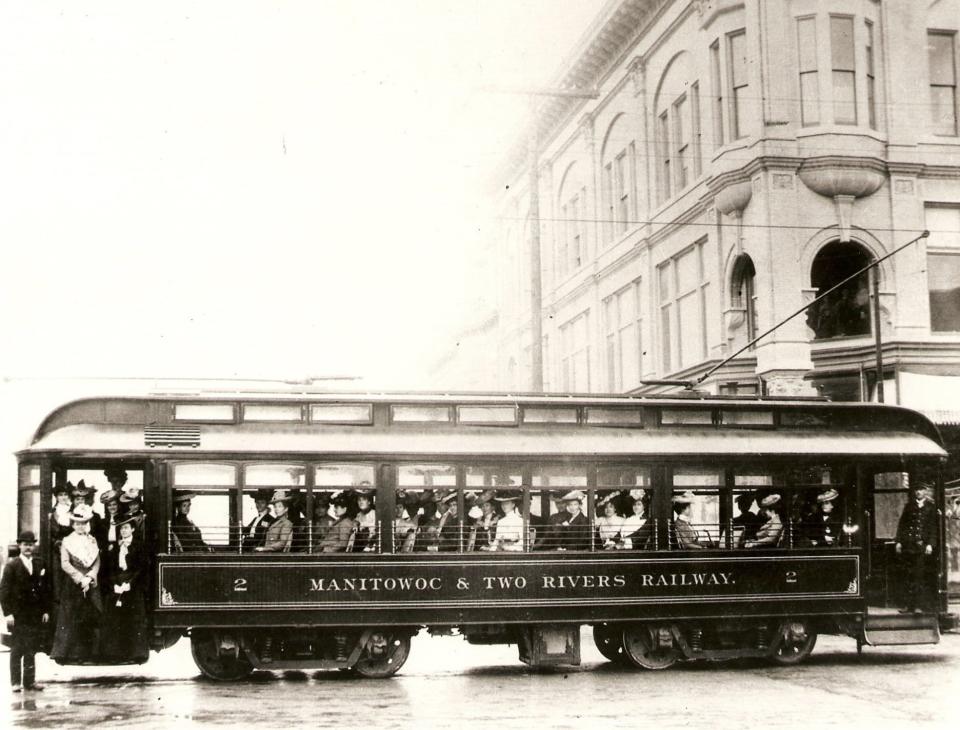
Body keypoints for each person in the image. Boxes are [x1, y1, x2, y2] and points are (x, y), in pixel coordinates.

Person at [51, 504, 102, 663]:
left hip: (91, 583)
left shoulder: (92, 540)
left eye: (84, 523)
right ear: (73, 525)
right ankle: (72, 655)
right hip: (73, 584)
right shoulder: (67, 541)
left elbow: (97, 562)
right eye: (78, 523)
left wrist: (90, 577)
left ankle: (92, 653)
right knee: (74, 616)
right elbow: (65, 564)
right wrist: (80, 578)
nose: (81, 526)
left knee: (93, 615)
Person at [0, 531, 51, 692]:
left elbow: (45, 590)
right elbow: (4, 591)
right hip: (18, 615)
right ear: (19, 545)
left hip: (34, 613)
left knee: (31, 648)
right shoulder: (12, 565)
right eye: (25, 544)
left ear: (34, 545)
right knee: (17, 648)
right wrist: (8, 613)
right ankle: (15, 682)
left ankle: (30, 681)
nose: (28, 547)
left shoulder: (39, 563)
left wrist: (45, 610)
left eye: (30, 544)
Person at [99, 515, 149, 663]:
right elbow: (110, 569)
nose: (124, 531)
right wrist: (115, 584)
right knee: (115, 618)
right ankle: (115, 654)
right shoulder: (115, 547)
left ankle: (136, 654)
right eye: (121, 528)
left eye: (126, 528)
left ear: (132, 529)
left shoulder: (139, 546)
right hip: (118, 586)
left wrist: (130, 584)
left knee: (134, 619)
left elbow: (141, 568)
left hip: (134, 586)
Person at [895, 485, 938, 613]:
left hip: (921, 547)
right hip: (908, 546)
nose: (918, 492)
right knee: (909, 576)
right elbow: (902, 525)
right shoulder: (909, 506)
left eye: (921, 489)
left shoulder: (931, 507)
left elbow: (933, 528)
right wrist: (898, 542)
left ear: (925, 491)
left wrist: (930, 544)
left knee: (919, 576)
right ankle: (909, 606)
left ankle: (919, 606)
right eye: (916, 490)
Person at [96, 489, 123, 554]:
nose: (112, 507)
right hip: (106, 551)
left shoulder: (123, 519)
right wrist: (105, 546)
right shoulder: (102, 522)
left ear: (118, 505)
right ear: (106, 507)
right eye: (109, 505)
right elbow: (99, 539)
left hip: (120, 550)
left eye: (114, 504)